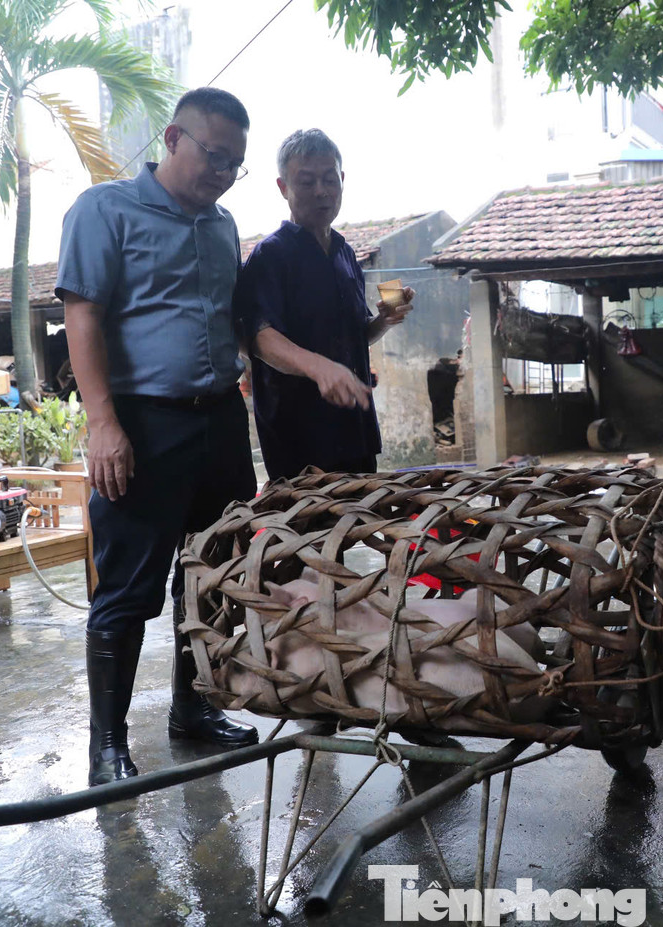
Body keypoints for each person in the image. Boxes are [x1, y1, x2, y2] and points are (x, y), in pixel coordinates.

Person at [55, 87, 260, 788]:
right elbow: (82, 318)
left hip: (220, 421)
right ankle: (106, 748)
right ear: (173, 139)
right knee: (129, 587)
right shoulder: (103, 210)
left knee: (210, 575)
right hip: (143, 424)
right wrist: (102, 423)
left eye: (236, 163)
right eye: (214, 155)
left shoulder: (223, 225)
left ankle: (193, 710)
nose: (224, 172)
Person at [233, 128, 413, 479]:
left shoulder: (346, 254)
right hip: (298, 437)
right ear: (283, 188)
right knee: (310, 532)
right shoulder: (270, 255)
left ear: (342, 180)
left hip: (355, 426)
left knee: (359, 524)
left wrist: (383, 320)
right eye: (306, 181)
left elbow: (357, 335)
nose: (321, 191)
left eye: (330, 179)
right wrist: (319, 367)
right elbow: (259, 339)